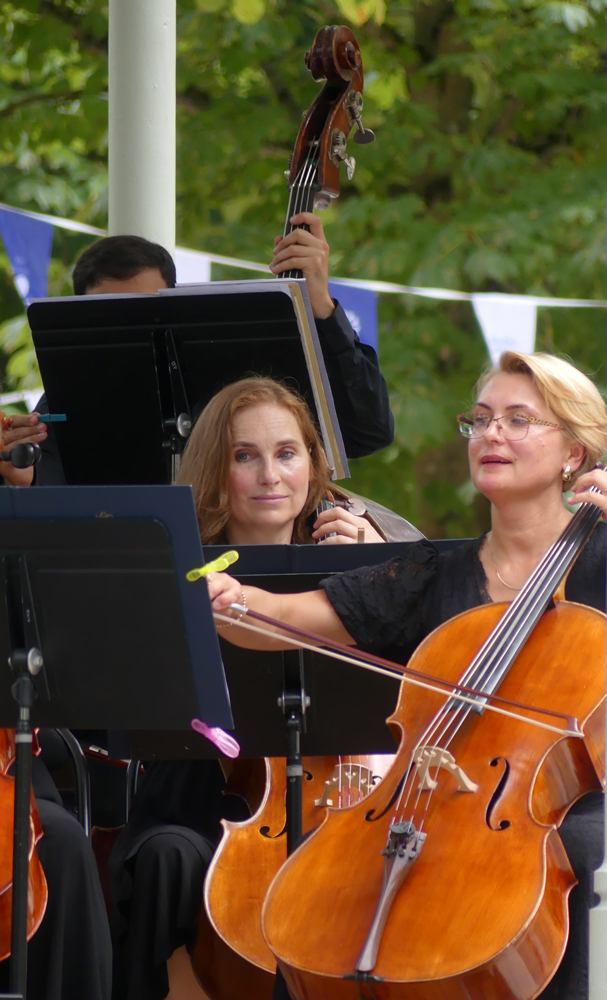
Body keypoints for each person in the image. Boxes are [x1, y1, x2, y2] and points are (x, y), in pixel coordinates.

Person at [208, 351, 607, 1000]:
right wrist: (231, 601)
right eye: (479, 420)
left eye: (517, 420)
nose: (490, 434)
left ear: (573, 453)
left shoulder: (601, 558)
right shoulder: (430, 571)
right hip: (431, 800)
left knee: (583, 852)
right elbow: (287, 619)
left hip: (567, 803)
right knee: (321, 879)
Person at [109, 376, 385, 1000]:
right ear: (216, 468)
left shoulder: (361, 567)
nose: (269, 475)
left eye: (287, 453)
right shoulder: (176, 571)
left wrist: (376, 578)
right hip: (196, 799)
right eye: (245, 456)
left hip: (328, 801)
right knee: (166, 856)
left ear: (313, 469)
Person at [2, 216, 393, 486]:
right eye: (108, 315)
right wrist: (22, 471)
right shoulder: (69, 395)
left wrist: (321, 306)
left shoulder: (243, 378)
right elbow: (55, 485)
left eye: (142, 310)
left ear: (172, 304)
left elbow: (367, 430)